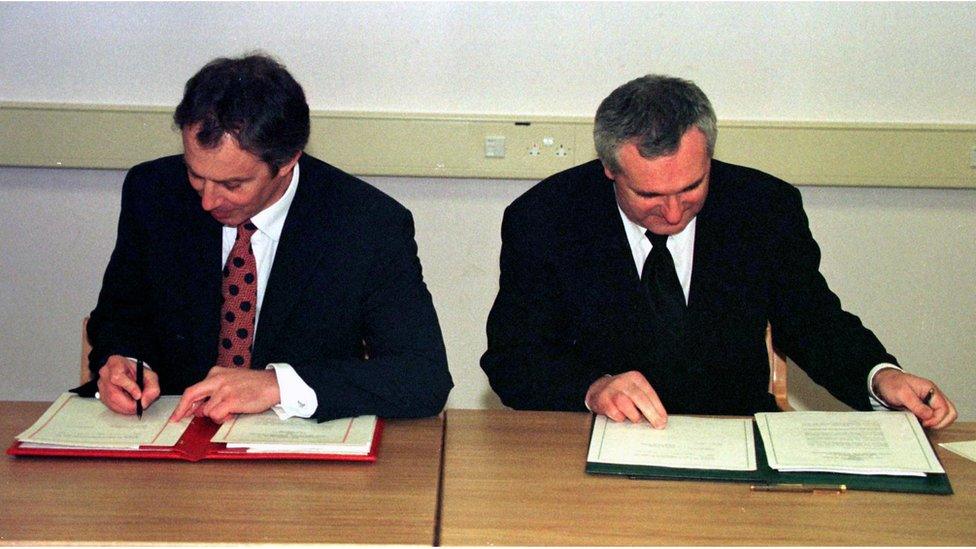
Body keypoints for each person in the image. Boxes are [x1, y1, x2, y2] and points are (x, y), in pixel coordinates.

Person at [481, 74, 956, 430]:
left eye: (691, 187)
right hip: (598, 443)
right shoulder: (545, 219)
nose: (672, 212)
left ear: (709, 156)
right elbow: (513, 358)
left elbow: (811, 320)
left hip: (735, 437)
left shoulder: (764, 207)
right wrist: (592, 388)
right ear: (609, 170)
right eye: (648, 196)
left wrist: (879, 377)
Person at [78, 53, 453, 423]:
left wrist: (276, 386)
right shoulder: (154, 193)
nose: (208, 200)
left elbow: (423, 376)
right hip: (172, 445)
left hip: (297, 462)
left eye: (232, 184)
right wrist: (124, 362)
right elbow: (119, 318)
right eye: (195, 175)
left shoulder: (365, 223)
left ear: (287, 160)